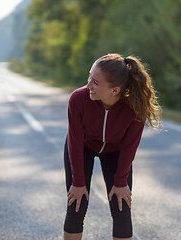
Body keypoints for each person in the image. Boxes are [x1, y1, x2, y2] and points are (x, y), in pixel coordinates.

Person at [63, 53, 162, 240]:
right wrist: (77, 182)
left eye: (95, 82)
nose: (88, 85)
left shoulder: (135, 107)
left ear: (114, 90)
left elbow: (129, 147)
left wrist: (120, 181)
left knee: (121, 206)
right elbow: (74, 142)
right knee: (76, 205)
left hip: (115, 152)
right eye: (89, 78)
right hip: (83, 148)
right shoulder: (78, 99)